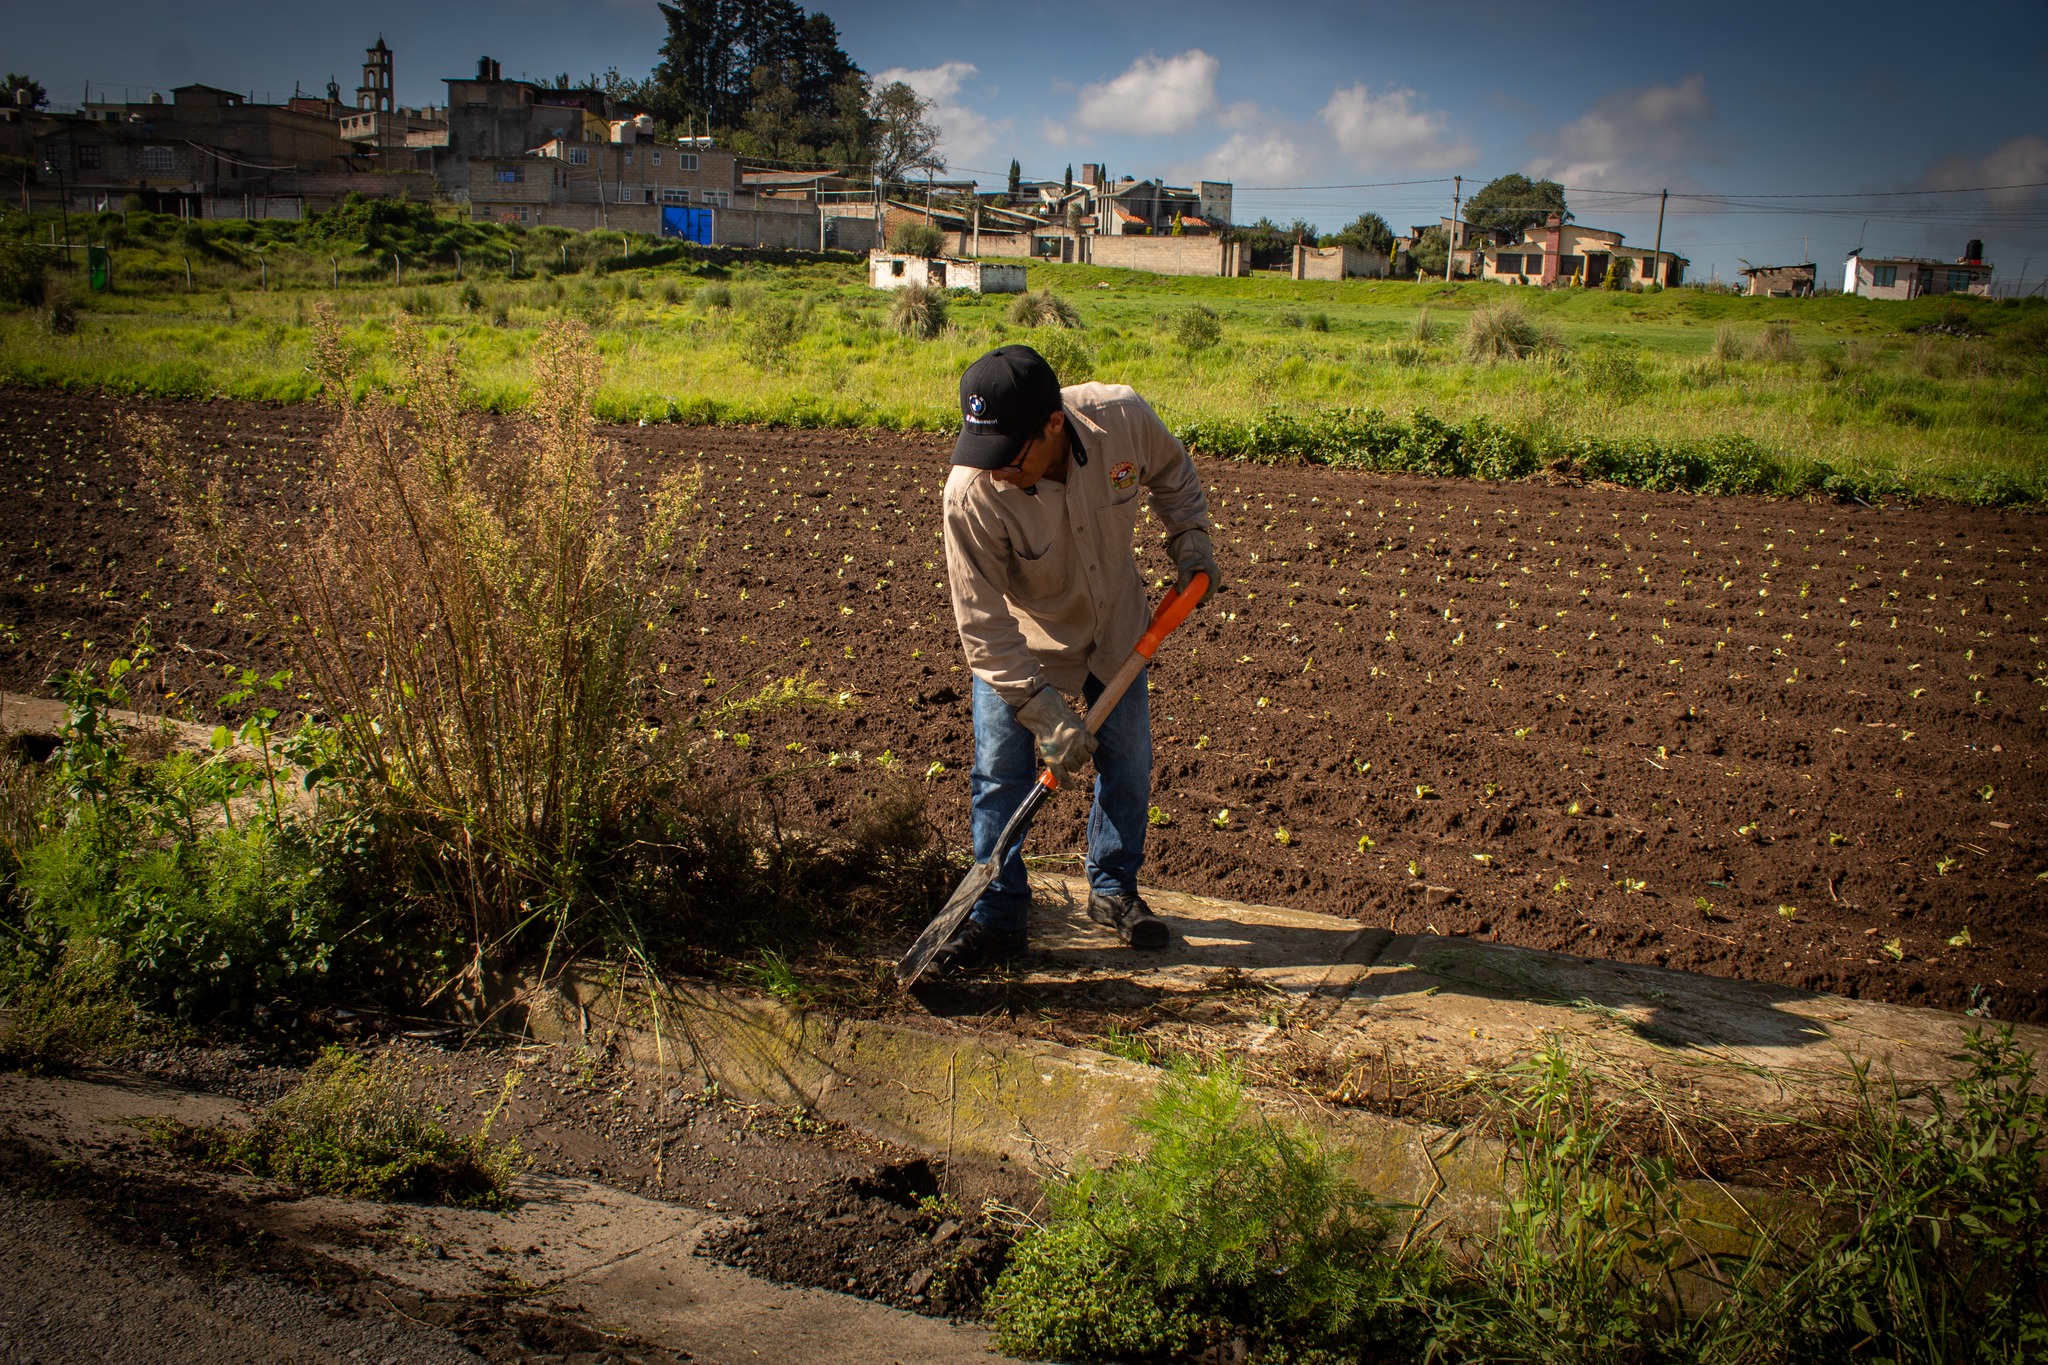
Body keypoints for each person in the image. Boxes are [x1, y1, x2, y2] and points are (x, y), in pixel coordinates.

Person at [932, 344, 1218, 976]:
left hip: (1118, 629)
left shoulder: (1121, 417)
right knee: (999, 776)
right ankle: (997, 916)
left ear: (1053, 426)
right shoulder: (972, 493)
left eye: (1009, 455)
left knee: (1129, 763)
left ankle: (1114, 890)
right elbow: (981, 623)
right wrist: (1040, 710)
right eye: (984, 453)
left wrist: (1189, 534)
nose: (995, 470)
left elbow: (1172, 471)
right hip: (1025, 649)